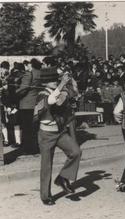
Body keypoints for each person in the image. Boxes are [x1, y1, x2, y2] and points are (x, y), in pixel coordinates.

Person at [34, 67, 81, 205]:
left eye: (55, 79)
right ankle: (45, 196)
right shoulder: (42, 94)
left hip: (59, 132)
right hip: (46, 134)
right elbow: (51, 101)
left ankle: (62, 177)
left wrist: (69, 81)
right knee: (46, 165)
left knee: (76, 151)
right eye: (50, 80)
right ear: (44, 83)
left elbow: (73, 93)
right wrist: (61, 85)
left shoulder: (60, 90)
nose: (54, 81)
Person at [16, 58, 42, 155]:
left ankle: (28, 149)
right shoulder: (40, 73)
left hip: (26, 104)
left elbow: (24, 88)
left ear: (31, 65)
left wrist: (14, 93)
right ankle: (35, 147)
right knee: (34, 127)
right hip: (36, 103)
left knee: (26, 128)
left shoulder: (29, 74)